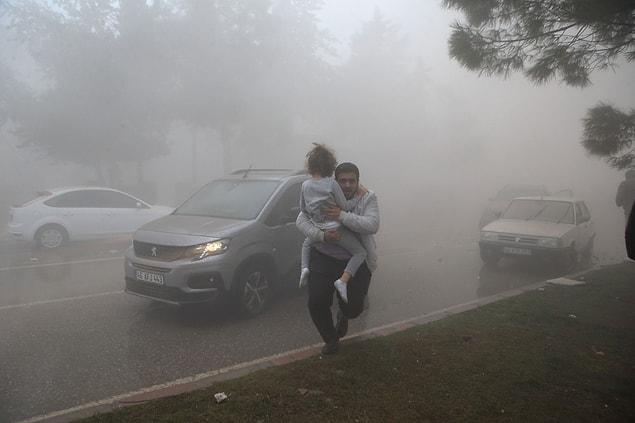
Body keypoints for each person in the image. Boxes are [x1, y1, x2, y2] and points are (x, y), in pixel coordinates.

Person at [296, 162, 379, 354]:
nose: (348, 184)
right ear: (335, 182)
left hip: (355, 262)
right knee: (316, 301)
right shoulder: (327, 194)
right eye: (343, 181)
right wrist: (322, 236)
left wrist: (341, 215)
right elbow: (301, 219)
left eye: (352, 181)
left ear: (358, 181)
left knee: (354, 309)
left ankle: (344, 313)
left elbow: (372, 225)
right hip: (323, 256)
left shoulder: (368, 197)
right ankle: (331, 340)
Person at [299, 144, 368, 303]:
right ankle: (342, 281)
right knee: (360, 253)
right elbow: (345, 207)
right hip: (336, 230)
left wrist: (316, 215)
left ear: (310, 165)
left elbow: (303, 209)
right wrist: (359, 196)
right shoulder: (332, 184)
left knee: (306, 244)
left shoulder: (305, 185)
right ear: (331, 166)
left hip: (317, 228)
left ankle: (304, 269)